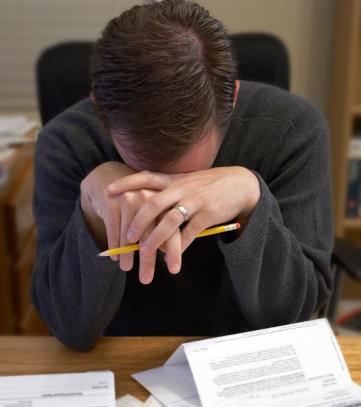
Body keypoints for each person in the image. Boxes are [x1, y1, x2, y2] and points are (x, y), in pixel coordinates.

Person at [32, 0, 333, 351]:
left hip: (247, 355)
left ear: (232, 98)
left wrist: (251, 200)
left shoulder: (293, 131)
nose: (168, 191)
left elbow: (292, 319)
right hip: (120, 356)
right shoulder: (66, 144)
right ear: (100, 108)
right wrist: (92, 214)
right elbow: (68, 329)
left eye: (188, 177)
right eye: (146, 172)